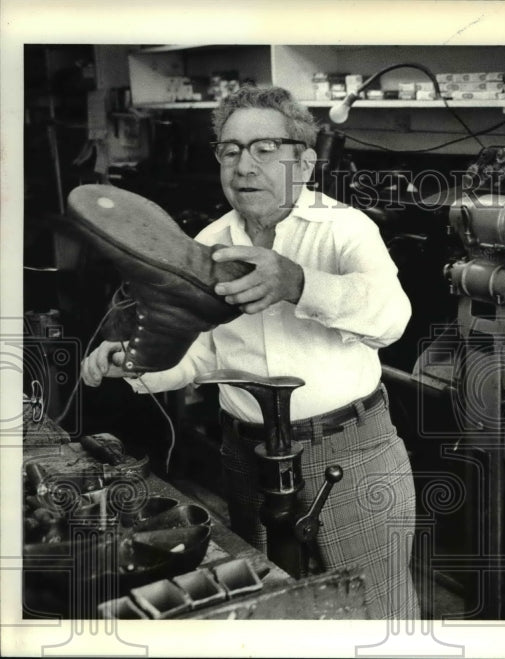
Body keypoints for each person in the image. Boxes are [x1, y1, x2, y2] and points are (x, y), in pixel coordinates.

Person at [81, 85, 419, 619]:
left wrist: (298, 282)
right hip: (247, 457)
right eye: (231, 149)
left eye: (264, 149)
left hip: (350, 453)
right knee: (273, 612)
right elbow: (199, 358)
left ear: (303, 162)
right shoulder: (208, 244)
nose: (244, 166)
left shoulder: (345, 229)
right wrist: (138, 365)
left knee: (376, 614)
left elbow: (391, 319)